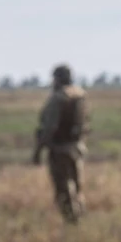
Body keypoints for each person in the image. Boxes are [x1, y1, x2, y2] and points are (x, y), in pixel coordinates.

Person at [33, 63, 88, 223]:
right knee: (77, 188)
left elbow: (50, 127)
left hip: (60, 149)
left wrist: (38, 150)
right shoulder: (80, 95)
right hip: (77, 147)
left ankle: (72, 223)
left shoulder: (58, 98)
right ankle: (80, 218)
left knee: (63, 190)